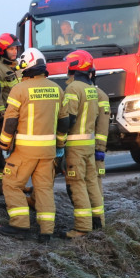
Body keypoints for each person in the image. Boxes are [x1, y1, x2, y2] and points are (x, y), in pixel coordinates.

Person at [0, 47, 71, 243]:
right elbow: (64, 122)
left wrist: (4, 145)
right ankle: (46, 231)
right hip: (48, 151)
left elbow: (10, 121)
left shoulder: (19, 89)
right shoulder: (57, 89)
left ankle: (20, 224)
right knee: (44, 189)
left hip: (25, 151)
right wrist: (60, 146)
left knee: (11, 184)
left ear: (25, 67)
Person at [59, 50, 104, 238]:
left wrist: (60, 140)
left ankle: (82, 228)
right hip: (89, 145)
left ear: (73, 66)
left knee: (77, 184)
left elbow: (68, 118)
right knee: (92, 182)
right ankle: (99, 222)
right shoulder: (92, 89)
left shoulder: (73, 88)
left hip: (75, 146)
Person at [0, 33, 22, 196]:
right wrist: (2, 112)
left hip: (21, 116)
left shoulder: (19, 66)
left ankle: (14, 183)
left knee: (18, 153)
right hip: (6, 117)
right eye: (11, 48)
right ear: (2, 50)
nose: (14, 51)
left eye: (15, 48)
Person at [92, 76, 110, 230]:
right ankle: (96, 224)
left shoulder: (99, 95)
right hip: (88, 149)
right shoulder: (98, 94)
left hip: (93, 151)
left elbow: (102, 126)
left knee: (95, 187)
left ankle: (99, 225)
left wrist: (99, 148)